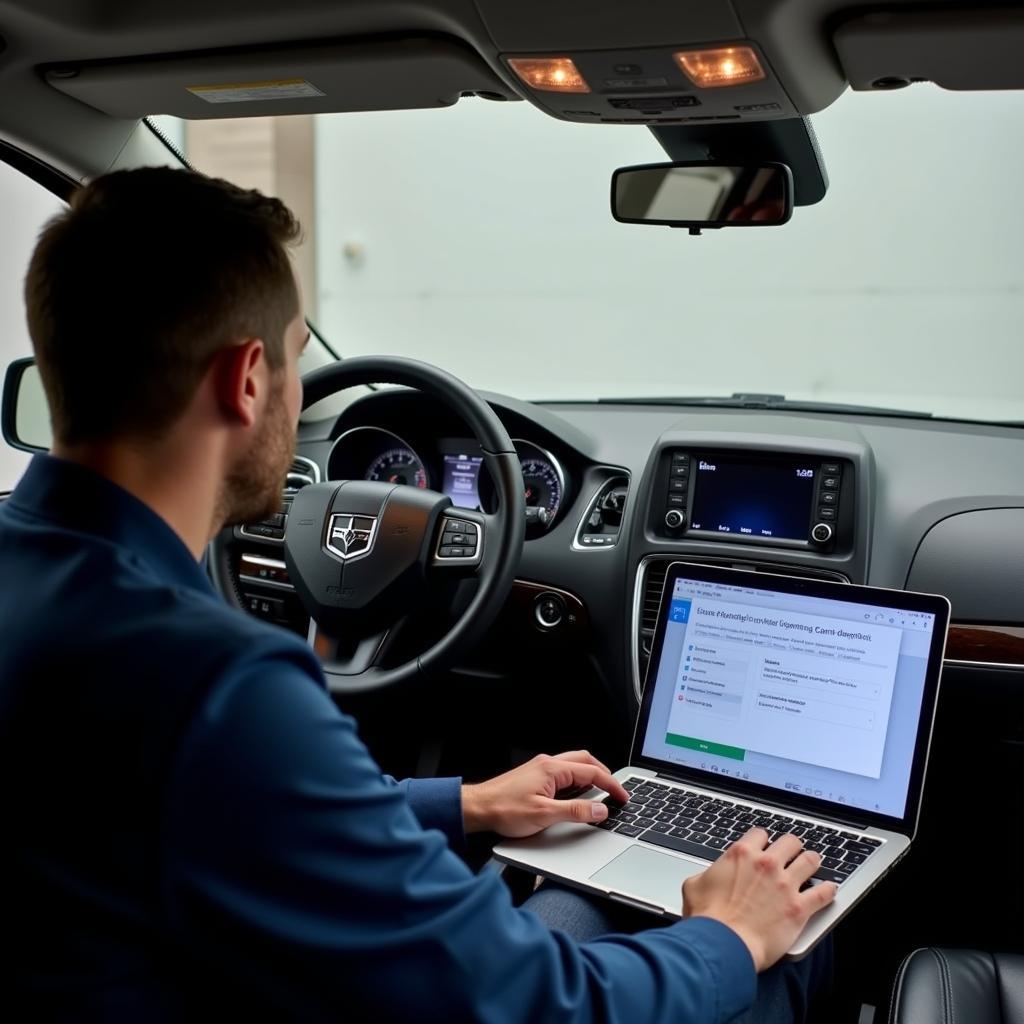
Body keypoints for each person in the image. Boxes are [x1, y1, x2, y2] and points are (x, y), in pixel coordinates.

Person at [0, 166, 835, 1022]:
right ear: (246, 380)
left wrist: (468, 804)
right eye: (294, 360)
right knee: (792, 925)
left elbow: (230, 804)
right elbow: (536, 1006)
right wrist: (730, 936)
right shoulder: (220, 686)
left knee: (583, 901)